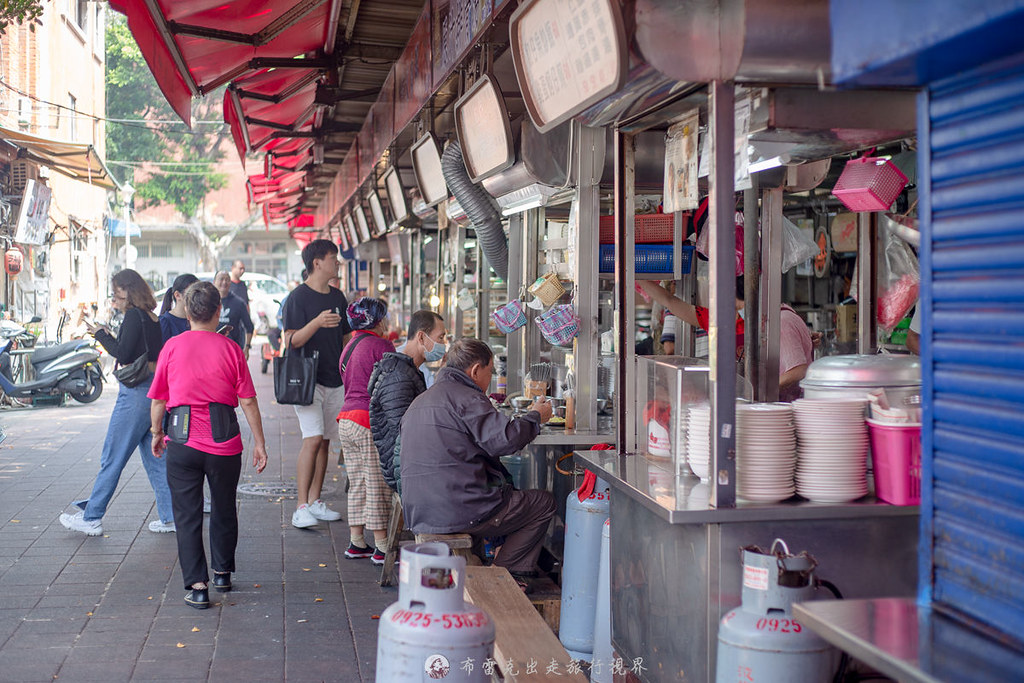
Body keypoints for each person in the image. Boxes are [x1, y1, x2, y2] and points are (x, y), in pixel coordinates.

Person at [148, 281, 269, 610]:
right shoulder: (230, 349)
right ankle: (222, 573)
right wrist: (259, 442)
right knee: (224, 507)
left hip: (182, 441)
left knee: (187, 515)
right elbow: (248, 401)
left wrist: (157, 433)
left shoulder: (172, 347)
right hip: (225, 441)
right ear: (219, 311)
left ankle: (198, 587)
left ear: (187, 311)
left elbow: (159, 400)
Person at [399, 338, 554, 589]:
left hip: (419, 509)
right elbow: (504, 440)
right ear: (475, 371)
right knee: (542, 503)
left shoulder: (423, 400)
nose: (489, 379)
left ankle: (494, 564)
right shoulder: (467, 398)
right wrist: (536, 416)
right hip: (457, 508)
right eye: (490, 372)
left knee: (507, 492)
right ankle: (505, 576)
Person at [60, 269, 174, 536]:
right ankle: (170, 517)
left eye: (116, 293)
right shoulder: (152, 317)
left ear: (128, 290)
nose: (114, 299)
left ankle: (92, 517)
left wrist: (100, 334)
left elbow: (122, 353)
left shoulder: (134, 315)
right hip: (154, 392)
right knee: (156, 458)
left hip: (134, 396)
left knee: (113, 456)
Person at [638, 277, 813, 401]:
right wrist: (636, 274)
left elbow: (799, 370)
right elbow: (670, 301)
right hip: (753, 406)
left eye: (739, 305)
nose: (736, 309)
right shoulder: (727, 320)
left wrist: (756, 392)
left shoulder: (779, 321)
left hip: (784, 411)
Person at [284, 239, 351, 529]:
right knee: (312, 439)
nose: (337, 262)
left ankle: (315, 501)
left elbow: (347, 338)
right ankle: (300, 506)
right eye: (333, 257)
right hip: (307, 381)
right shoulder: (297, 298)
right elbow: (290, 341)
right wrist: (316, 323)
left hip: (335, 378)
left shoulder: (339, 297)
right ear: (317, 263)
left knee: (324, 441)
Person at [335, 298, 398, 563]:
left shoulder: (349, 346)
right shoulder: (381, 345)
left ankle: (357, 541)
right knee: (376, 483)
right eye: (383, 318)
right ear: (377, 321)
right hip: (367, 420)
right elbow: (394, 382)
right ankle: (382, 546)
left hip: (346, 421)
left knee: (358, 481)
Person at [369, 310, 446, 497]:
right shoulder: (398, 376)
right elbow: (404, 433)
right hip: (403, 469)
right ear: (421, 337)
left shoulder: (409, 370)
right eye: (441, 337)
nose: (444, 344)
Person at [214, 271, 254, 357]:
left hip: (233, 351)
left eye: (227, 280)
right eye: (221, 279)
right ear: (214, 282)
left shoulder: (239, 303)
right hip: (213, 350)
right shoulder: (208, 302)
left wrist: (246, 348)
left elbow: (249, 327)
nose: (224, 282)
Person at [159, 273, 199, 342]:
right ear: (177, 295)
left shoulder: (199, 320)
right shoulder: (164, 322)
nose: (197, 297)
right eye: (192, 293)